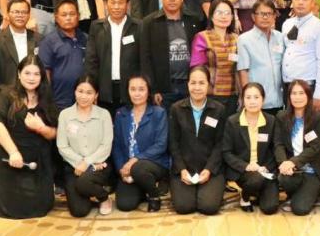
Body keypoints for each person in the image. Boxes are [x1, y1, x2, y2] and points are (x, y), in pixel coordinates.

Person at [0, 55, 58, 219]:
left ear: (42, 77)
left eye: (36, 74)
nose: (31, 78)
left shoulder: (46, 98)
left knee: (41, 208)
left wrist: (40, 128)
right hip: (10, 158)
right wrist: (13, 152)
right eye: (27, 73)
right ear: (19, 74)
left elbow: (55, 133)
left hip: (37, 162)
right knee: (12, 210)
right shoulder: (6, 95)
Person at [168, 66, 227, 215]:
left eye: (202, 83)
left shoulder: (218, 109)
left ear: (208, 84)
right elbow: (173, 143)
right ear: (187, 84)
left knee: (209, 207)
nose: (197, 87)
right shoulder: (176, 109)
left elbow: (220, 144)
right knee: (184, 207)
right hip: (183, 169)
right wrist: (182, 169)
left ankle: (208, 189)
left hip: (211, 169)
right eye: (193, 83)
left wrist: (208, 169)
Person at [57, 75, 114, 217]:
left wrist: (88, 163)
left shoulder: (104, 114)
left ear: (96, 95)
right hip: (73, 167)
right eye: (80, 91)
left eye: (89, 92)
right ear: (75, 91)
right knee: (79, 211)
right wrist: (79, 163)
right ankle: (89, 193)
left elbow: (106, 145)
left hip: (99, 166)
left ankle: (103, 197)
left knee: (83, 183)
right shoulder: (65, 115)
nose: (84, 96)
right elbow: (62, 146)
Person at [112, 76, 171, 212]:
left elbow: (161, 145)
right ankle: (143, 188)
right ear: (127, 91)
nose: (137, 93)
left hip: (153, 164)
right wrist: (121, 169)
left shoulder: (158, 113)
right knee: (125, 205)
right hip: (128, 168)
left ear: (148, 91)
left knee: (138, 168)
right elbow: (117, 146)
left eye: (141, 89)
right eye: (133, 89)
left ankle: (154, 196)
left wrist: (134, 160)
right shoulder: (121, 114)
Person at [140, 0, 201, 106]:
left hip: (190, 86)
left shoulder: (193, 20)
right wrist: (153, 89)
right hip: (163, 89)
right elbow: (145, 59)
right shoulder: (149, 23)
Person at [222, 82, 280, 214]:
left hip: (265, 169)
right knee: (256, 179)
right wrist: (246, 166)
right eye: (248, 97)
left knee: (270, 208)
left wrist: (265, 167)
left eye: (256, 97)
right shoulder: (233, 121)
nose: (252, 101)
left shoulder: (271, 120)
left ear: (263, 99)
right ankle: (245, 196)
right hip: (243, 170)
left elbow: (275, 148)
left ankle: (257, 192)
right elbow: (226, 152)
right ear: (242, 99)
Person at [84, 0, 141, 115]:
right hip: (104, 90)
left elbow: (144, 60)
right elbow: (91, 61)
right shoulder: (96, 27)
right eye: (113, 2)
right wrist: (91, 89)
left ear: (128, 5)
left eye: (120, 2)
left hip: (131, 91)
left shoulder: (138, 27)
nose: (116, 7)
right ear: (105, 4)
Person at [274, 80, 320, 215]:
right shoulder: (281, 117)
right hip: (292, 170)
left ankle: (313, 193)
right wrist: (284, 163)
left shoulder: (317, 118)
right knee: (283, 178)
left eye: (301, 93)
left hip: (311, 169)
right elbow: (278, 144)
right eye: (294, 93)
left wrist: (293, 162)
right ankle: (295, 195)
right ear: (289, 97)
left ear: (308, 96)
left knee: (300, 209)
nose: (297, 97)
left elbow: (315, 148)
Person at [0, 0, 41, 106]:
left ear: (29, 15)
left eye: (24, 12)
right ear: (8, 14)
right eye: (16, 12)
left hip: (32, 99)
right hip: (3, 99)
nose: (20, 15)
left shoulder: (38, 38)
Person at [281, 0, 320, 110]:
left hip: (307, 87)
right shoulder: (287, 24)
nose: (300, 2)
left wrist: (318, 94)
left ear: (313, 2)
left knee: (307, 122)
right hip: (287, 85)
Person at [190, 0, 239, 116]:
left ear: (232, 17)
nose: (224, 16)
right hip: (211, 96)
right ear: (211, 16)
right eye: (219, 13)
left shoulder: (237, 38)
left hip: (233, 95)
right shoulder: (202, 37)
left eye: (227, 13)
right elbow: (197, 68)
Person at [38, 0, 88, 111]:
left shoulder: (86, 39)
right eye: (64, 15)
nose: (68, 18)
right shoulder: (49, 41)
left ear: (78, 16)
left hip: (84, 100)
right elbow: (45, 73)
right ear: (56, 18)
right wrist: (48, 99)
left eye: (72, 14)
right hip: (59, 101)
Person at [237, 0, 285, 113]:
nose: (265, 17)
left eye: (269, 14)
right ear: (253, 17)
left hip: (279, 100)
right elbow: (243, 71)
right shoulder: (244, 40)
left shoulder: (280, 37)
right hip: (257, 102)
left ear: (274, 16)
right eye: (261, 14)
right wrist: (247, 99)